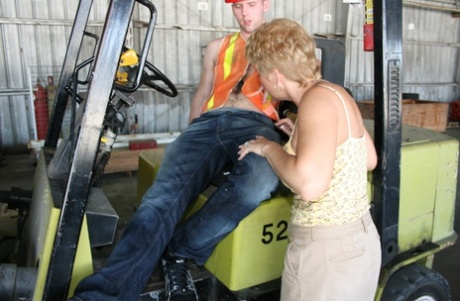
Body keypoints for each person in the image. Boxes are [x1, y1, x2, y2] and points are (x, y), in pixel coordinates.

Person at [70, 1, 282, 301]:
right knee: (161, 198)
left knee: (260, 181)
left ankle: (180, 250)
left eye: (251, 4)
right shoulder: (217, 47)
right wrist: (192, 129)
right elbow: (203, 90)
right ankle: (103, 294)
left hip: (255, 125)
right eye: (237, 7)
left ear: (266, 4)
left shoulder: (281, 42)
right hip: (209, 123)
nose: (245, 13)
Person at [239, 18, 381, 301]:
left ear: (277, 76)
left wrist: (269, 148)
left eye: (261, 74)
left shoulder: (314, 103)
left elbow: (309, 185)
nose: (262, 83)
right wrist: (301, 138)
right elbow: (368, 159)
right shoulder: (335, 92)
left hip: (326, 255)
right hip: (359, 242)